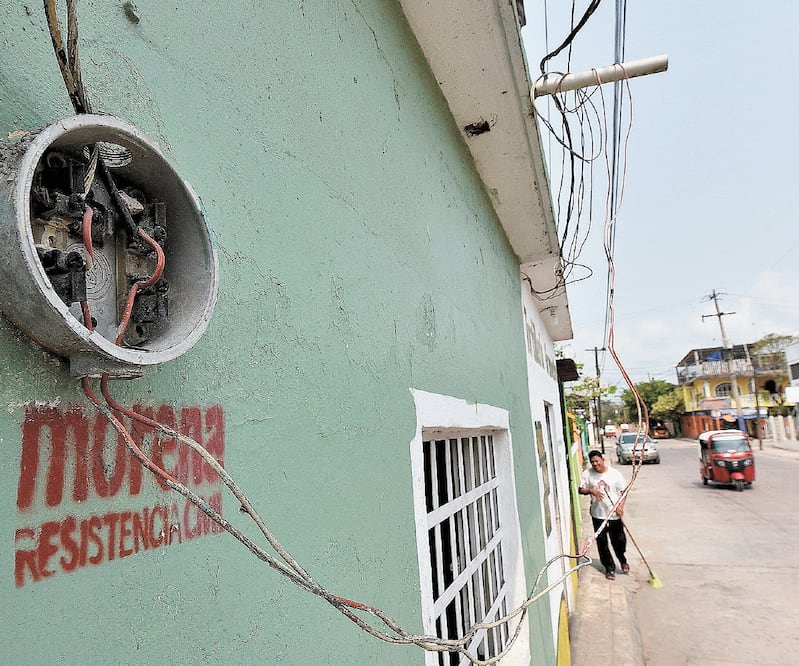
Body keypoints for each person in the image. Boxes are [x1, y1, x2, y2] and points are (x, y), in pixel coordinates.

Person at [579, 450, 629, 580]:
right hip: (598, 515)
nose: (595, 464)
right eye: (592, 462)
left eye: (597, 461)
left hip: (614, 515)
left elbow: (624, 491)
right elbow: (581, 489)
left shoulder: (614, 474)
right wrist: (591, 491)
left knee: (619, 541)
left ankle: (623, 560)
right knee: (602, 543)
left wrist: (620, 507)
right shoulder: (587, 474)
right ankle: (609, 568)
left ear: (602, 460)